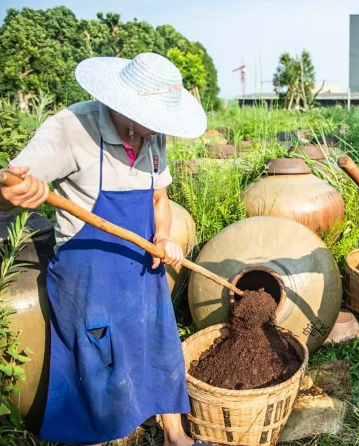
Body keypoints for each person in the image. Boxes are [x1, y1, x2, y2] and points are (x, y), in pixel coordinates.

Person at [0, 53, 212, 446]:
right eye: (152, 120)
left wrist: (163, 236)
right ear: (125, 104)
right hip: (90, 275)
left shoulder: (152, 135)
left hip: (142, 266)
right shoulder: (69, 128)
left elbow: (158, 199)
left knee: (159, 344)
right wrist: (12, 192)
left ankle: (174, 437)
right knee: (98, 366)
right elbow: (9, 187)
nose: (157, 131)